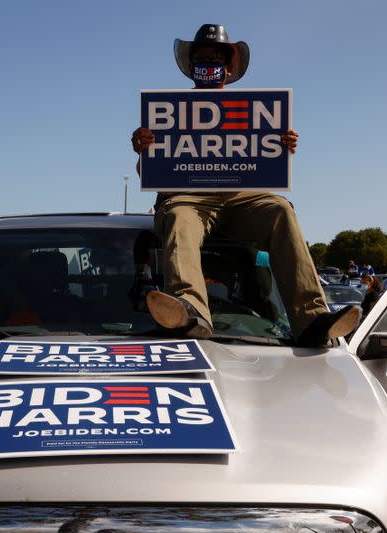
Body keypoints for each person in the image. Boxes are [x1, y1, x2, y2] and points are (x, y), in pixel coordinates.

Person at [130, 24, 359, 347]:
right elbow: (149, 173)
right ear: (190, 65)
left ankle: (311, 319)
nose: (208, 63)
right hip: (187, 198)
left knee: (280, 209)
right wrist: (145, 150)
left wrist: (280, 146)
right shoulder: (167, 110)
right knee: (179, 219)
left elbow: (265, 161)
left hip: (242, 196)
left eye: (215, 57)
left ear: (229, 66)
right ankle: (191, 311)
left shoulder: (253, 108)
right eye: (202, 58)